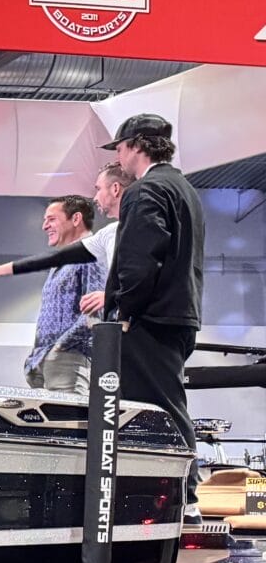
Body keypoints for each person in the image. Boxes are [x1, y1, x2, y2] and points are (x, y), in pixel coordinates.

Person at [99, 114, 205, 505]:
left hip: (151, 318)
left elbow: (141, 259)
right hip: (178, 315)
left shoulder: (146, 191)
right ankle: (173, 497)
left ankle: (183, 500)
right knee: (165, 405)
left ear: (137, 146)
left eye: (121, 148)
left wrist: (125, 310)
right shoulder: (184, 188)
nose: (120, 157)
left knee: (160, 409)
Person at [0, 192, 103, 393]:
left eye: (51, 219)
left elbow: (95, 315)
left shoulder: (92, 256)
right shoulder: (64, 261)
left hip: (68, 359)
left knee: (64, 421)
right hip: (46, 360)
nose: (44, 226)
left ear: (76, 219)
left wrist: (60, 348)